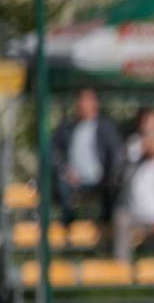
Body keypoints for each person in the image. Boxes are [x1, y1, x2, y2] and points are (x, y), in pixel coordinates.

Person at [51, 88, 121, 225]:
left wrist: (109, 175)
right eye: (80, 100)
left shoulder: (106, 128)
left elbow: (114, 154)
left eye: (86, 100)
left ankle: (106, 224)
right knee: (61, 184)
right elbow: (52, 150)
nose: (82, 104)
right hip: (74, 180)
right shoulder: (68, 128)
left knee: (113, 188)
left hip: (100, 180)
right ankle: (69, 222)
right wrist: (65, 169)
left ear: (95, 103)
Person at [113, 131, 154, 261]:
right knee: (120, 218)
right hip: (134, 217)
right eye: (147, 143)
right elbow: (118, 176)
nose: (149, 145)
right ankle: (121, 265)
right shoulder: (134, 165)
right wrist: (134, 154)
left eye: (152, 142)